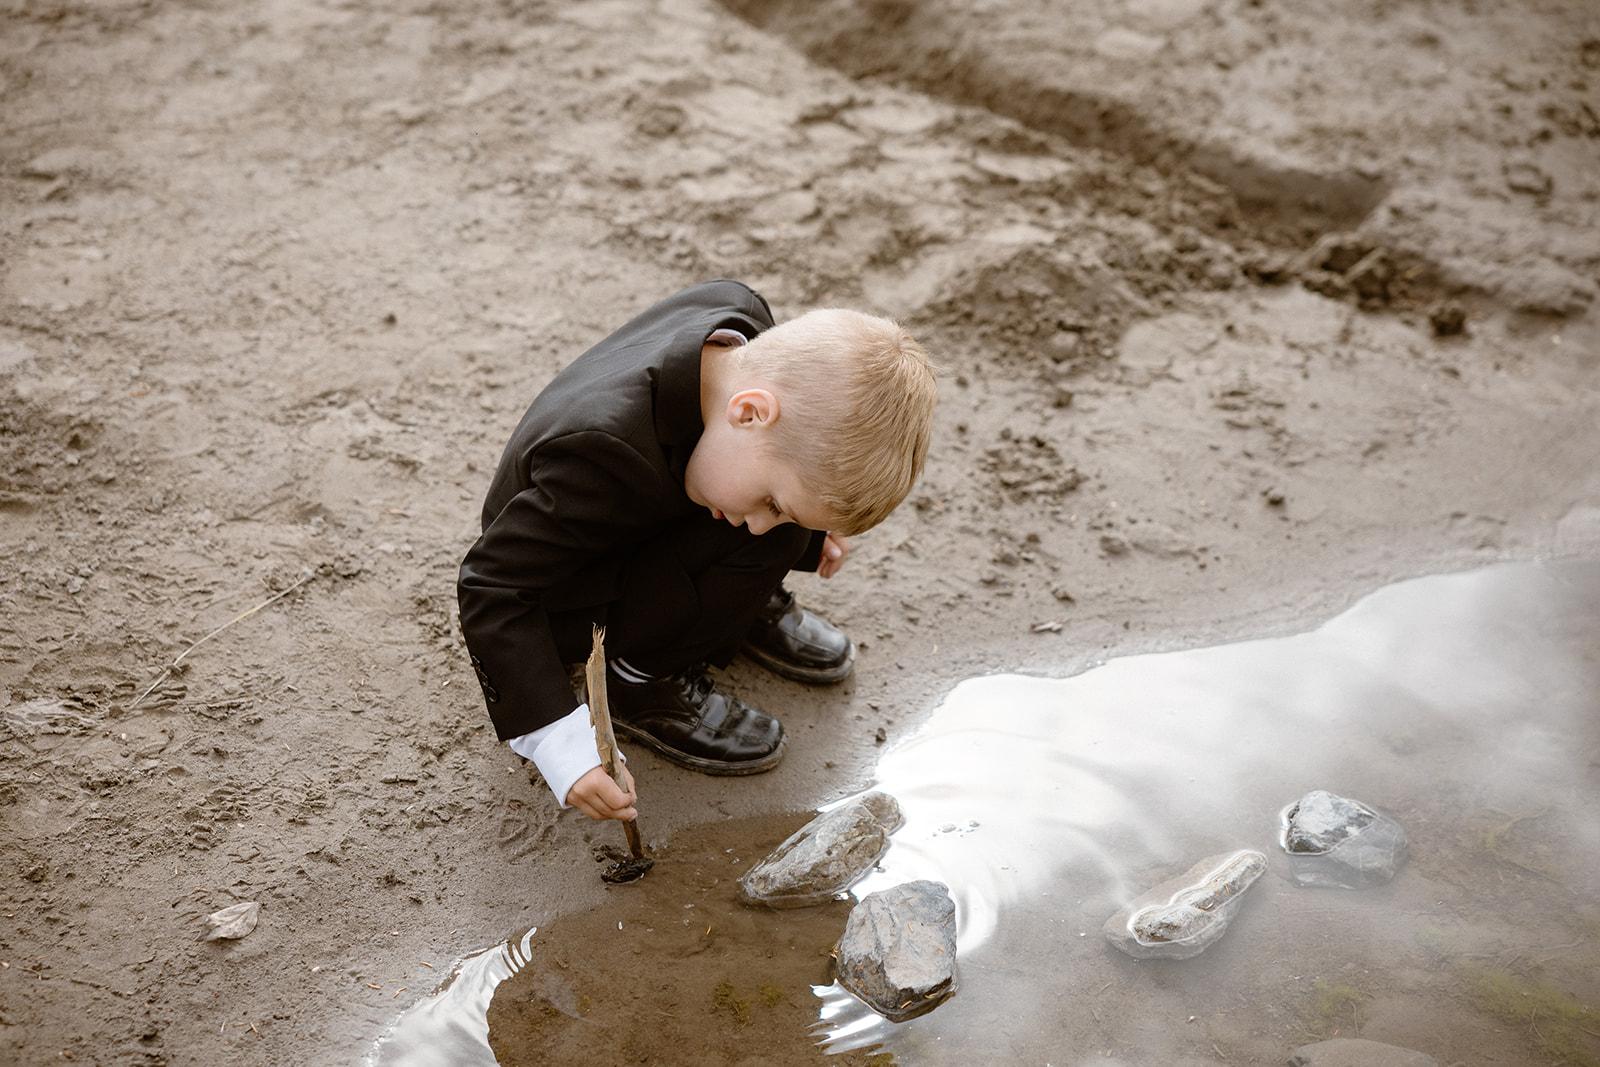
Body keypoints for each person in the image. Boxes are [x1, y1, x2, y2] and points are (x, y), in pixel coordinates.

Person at [457, 279, 936, 823]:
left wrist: (808, 527)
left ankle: (741, 602)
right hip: (567, 579)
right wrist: (558, 743)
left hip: (638, 506)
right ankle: (636, 678)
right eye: (773, 502)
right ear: (750, 412)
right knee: (763, 530)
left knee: (777, 525)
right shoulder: (596, 453)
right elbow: (492, 586)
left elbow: (773, 459)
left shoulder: (739, 326)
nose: (763, 525)